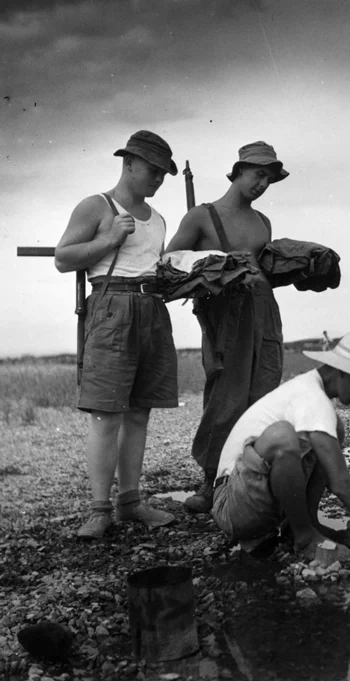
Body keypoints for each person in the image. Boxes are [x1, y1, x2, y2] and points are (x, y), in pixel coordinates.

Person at [210, 328, 350, 560]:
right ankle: (304, 539)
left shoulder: (313, 395)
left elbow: (333, 477)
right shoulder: (311, 397)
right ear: (344, 373)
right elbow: (340, 482)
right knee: (282, 437)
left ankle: (306, 525)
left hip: (252, 502)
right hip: (231, 505)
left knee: (334, 430)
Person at [54, 130, 179, 539]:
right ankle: (98, 510)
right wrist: (109, 237)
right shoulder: (97, 205)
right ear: (128, 163)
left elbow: (153, 266)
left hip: (152, 308)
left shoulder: (159, 219)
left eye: (164, 172)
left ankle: (130, 503)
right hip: (111, 305)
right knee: (107, 414)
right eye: (152, 169)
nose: (159, 178)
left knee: (139, 411)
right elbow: (62, 258)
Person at [164, 141, 288, 514]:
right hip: (223, 314)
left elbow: (266, 271)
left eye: (269, 178)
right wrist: (210, 268)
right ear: (239, 171)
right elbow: (170, 265)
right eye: (257, 174)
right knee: (225, 394)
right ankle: (210, 480)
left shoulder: (263, 221)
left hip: (265, 311)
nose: (262, 184)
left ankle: (248, 476)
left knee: (264, 390)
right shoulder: (201, 217)